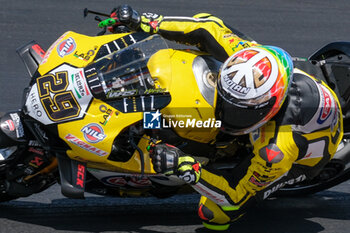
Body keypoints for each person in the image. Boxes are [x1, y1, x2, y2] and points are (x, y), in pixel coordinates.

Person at [109, 5, 344, 231]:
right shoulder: (247, 57)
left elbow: (232, 194)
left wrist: (188, 169)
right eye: (227, 101)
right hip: (296, 91)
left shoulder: (274, 151)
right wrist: (146, 22)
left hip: (302, 156)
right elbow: (208, 27)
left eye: (240, 111)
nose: (228, 114)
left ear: (269, 106)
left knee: (216, 213)